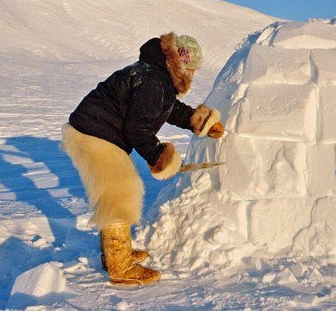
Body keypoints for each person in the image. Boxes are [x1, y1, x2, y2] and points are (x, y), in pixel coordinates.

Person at [61, 32, 224, 286]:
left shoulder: (158, 76)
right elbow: (137, 130)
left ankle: (117, 251)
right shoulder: (154, 82)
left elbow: (169, 108)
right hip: (92, 133)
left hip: (96, 130)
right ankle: (119, 266)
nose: (192, 75)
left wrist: (200, 122)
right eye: (191, 68)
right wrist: (160, 157)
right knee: (120, 192)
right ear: (180, 63)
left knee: (117, 190)